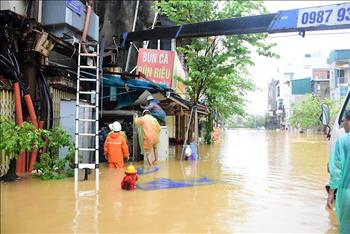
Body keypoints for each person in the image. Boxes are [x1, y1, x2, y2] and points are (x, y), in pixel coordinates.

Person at [327, 110, 350, 234]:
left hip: (347, 194)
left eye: (344, 120)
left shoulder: (342, 142)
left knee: (346, 227)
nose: (344, 124)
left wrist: (331, 194)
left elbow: (336, 171)